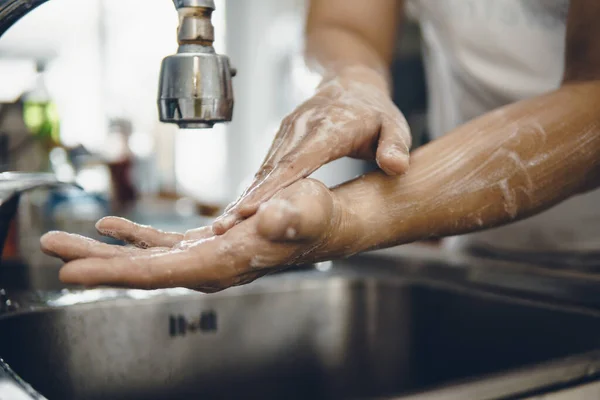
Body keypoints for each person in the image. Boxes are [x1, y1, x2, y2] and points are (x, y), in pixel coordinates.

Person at [41, 0, 600, 292]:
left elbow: (593, 96)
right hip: (476, 255)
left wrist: (346, 218)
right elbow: (345, 22)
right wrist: (351, 80)